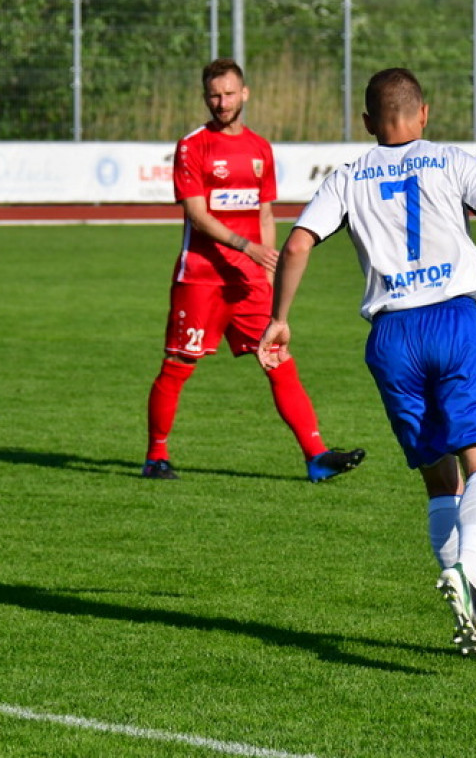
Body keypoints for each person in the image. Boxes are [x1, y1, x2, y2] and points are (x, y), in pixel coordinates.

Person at [257, 68, 476, 658]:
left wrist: (279, 317)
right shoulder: (450, 160)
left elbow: (295, 244)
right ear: (424, 114)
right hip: (453, 323)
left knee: (440, 481)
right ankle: (469, 573)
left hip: (391, 336)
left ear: (367, 122)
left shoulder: (345, 177)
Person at [142, 58, 365, 482]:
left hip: (248, 281)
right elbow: (196, 214)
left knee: (278, 358)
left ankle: (316, 456)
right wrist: (246, 246)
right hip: (201, 278)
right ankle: (156, 457)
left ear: (245, 94)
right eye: (214, 95)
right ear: (204, 97)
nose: (221, 102)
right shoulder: (193, 146)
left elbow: (265, 214)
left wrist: (267, 275)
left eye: (228, 94)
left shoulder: (260, 148)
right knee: (178, 364)